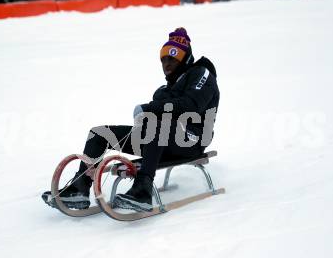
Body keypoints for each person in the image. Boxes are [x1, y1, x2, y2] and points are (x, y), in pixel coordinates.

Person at [42, 27, 220, 212]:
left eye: (172, 59)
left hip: (193, 140)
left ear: (185, 58)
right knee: (100, 134)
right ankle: (80, 187)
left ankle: (142, 191)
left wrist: (149, 109)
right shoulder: (163, 90)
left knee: (157, 125)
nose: (167, 64)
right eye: (164, 59)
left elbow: (191, 104)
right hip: (160, 141)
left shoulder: (202, 74)